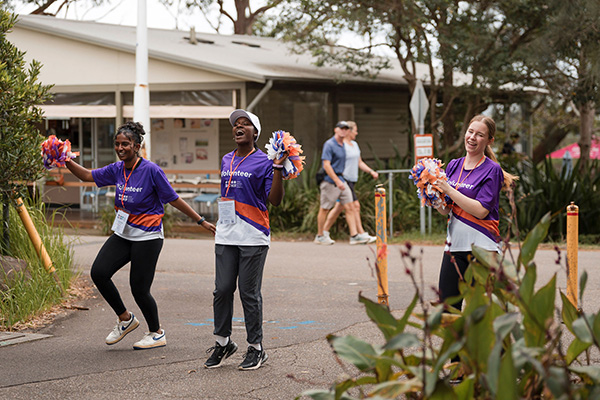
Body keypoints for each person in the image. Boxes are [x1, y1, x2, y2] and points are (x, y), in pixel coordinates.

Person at [65, 121, 216, 350]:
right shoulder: (116, 169)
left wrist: (200, 220)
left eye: (125, 144)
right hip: (124, 233)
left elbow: (173, 198)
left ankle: (156, 333)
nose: (120, 148)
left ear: (136, 146)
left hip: (148, 236)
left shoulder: (151, 170)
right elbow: (86, 175)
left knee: (139, 288)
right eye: (117, 144)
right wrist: (64, 159)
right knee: (99, 272)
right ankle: (125, 319)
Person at [203, 109, 287, 371]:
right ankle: (223, 342)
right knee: (223, 289)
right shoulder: (226, 159)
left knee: (249, 293)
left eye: (245, 124)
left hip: (253, 235)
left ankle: (256, 348)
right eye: (236, 125)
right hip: (226, 233)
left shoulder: (264, 161)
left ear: (255, 133)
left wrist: (277, 169)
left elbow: (274, 200)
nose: (239, 128)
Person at [434, 115, 517, 312]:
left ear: (489, 141)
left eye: (480, 135)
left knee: (481, 314)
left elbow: (481, 211)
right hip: (454, 247)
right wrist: (432, 197)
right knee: (447, 310)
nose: (472, 137)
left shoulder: (492, 170)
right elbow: (446, 209)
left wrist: (449, 190)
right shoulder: (454, 164)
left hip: (482, 248)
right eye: (470, 132)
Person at [322, 121, 378, 244]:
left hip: (352, 179)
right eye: (355, 130)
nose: (356, 133)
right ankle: (359, 234)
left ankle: (324, 232)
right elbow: (332, 163)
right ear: (348, 131)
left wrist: (371, 171)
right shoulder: (341, 146)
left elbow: (359, 162)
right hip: (344, 179)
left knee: (339, 208)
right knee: (354, 206)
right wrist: (338, 179)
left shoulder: (354, 145)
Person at [314, 121, 368, 245]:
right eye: (341, 128)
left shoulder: (344, 144)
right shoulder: (330, 144)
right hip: (330, 181)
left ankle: (354, 235)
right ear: (335, 130)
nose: (344, 131)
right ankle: (320, 235)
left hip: (342, 180)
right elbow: (326, 165)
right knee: (325, 209)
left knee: (350, 207)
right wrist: (337, 180)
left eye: (346, 129)